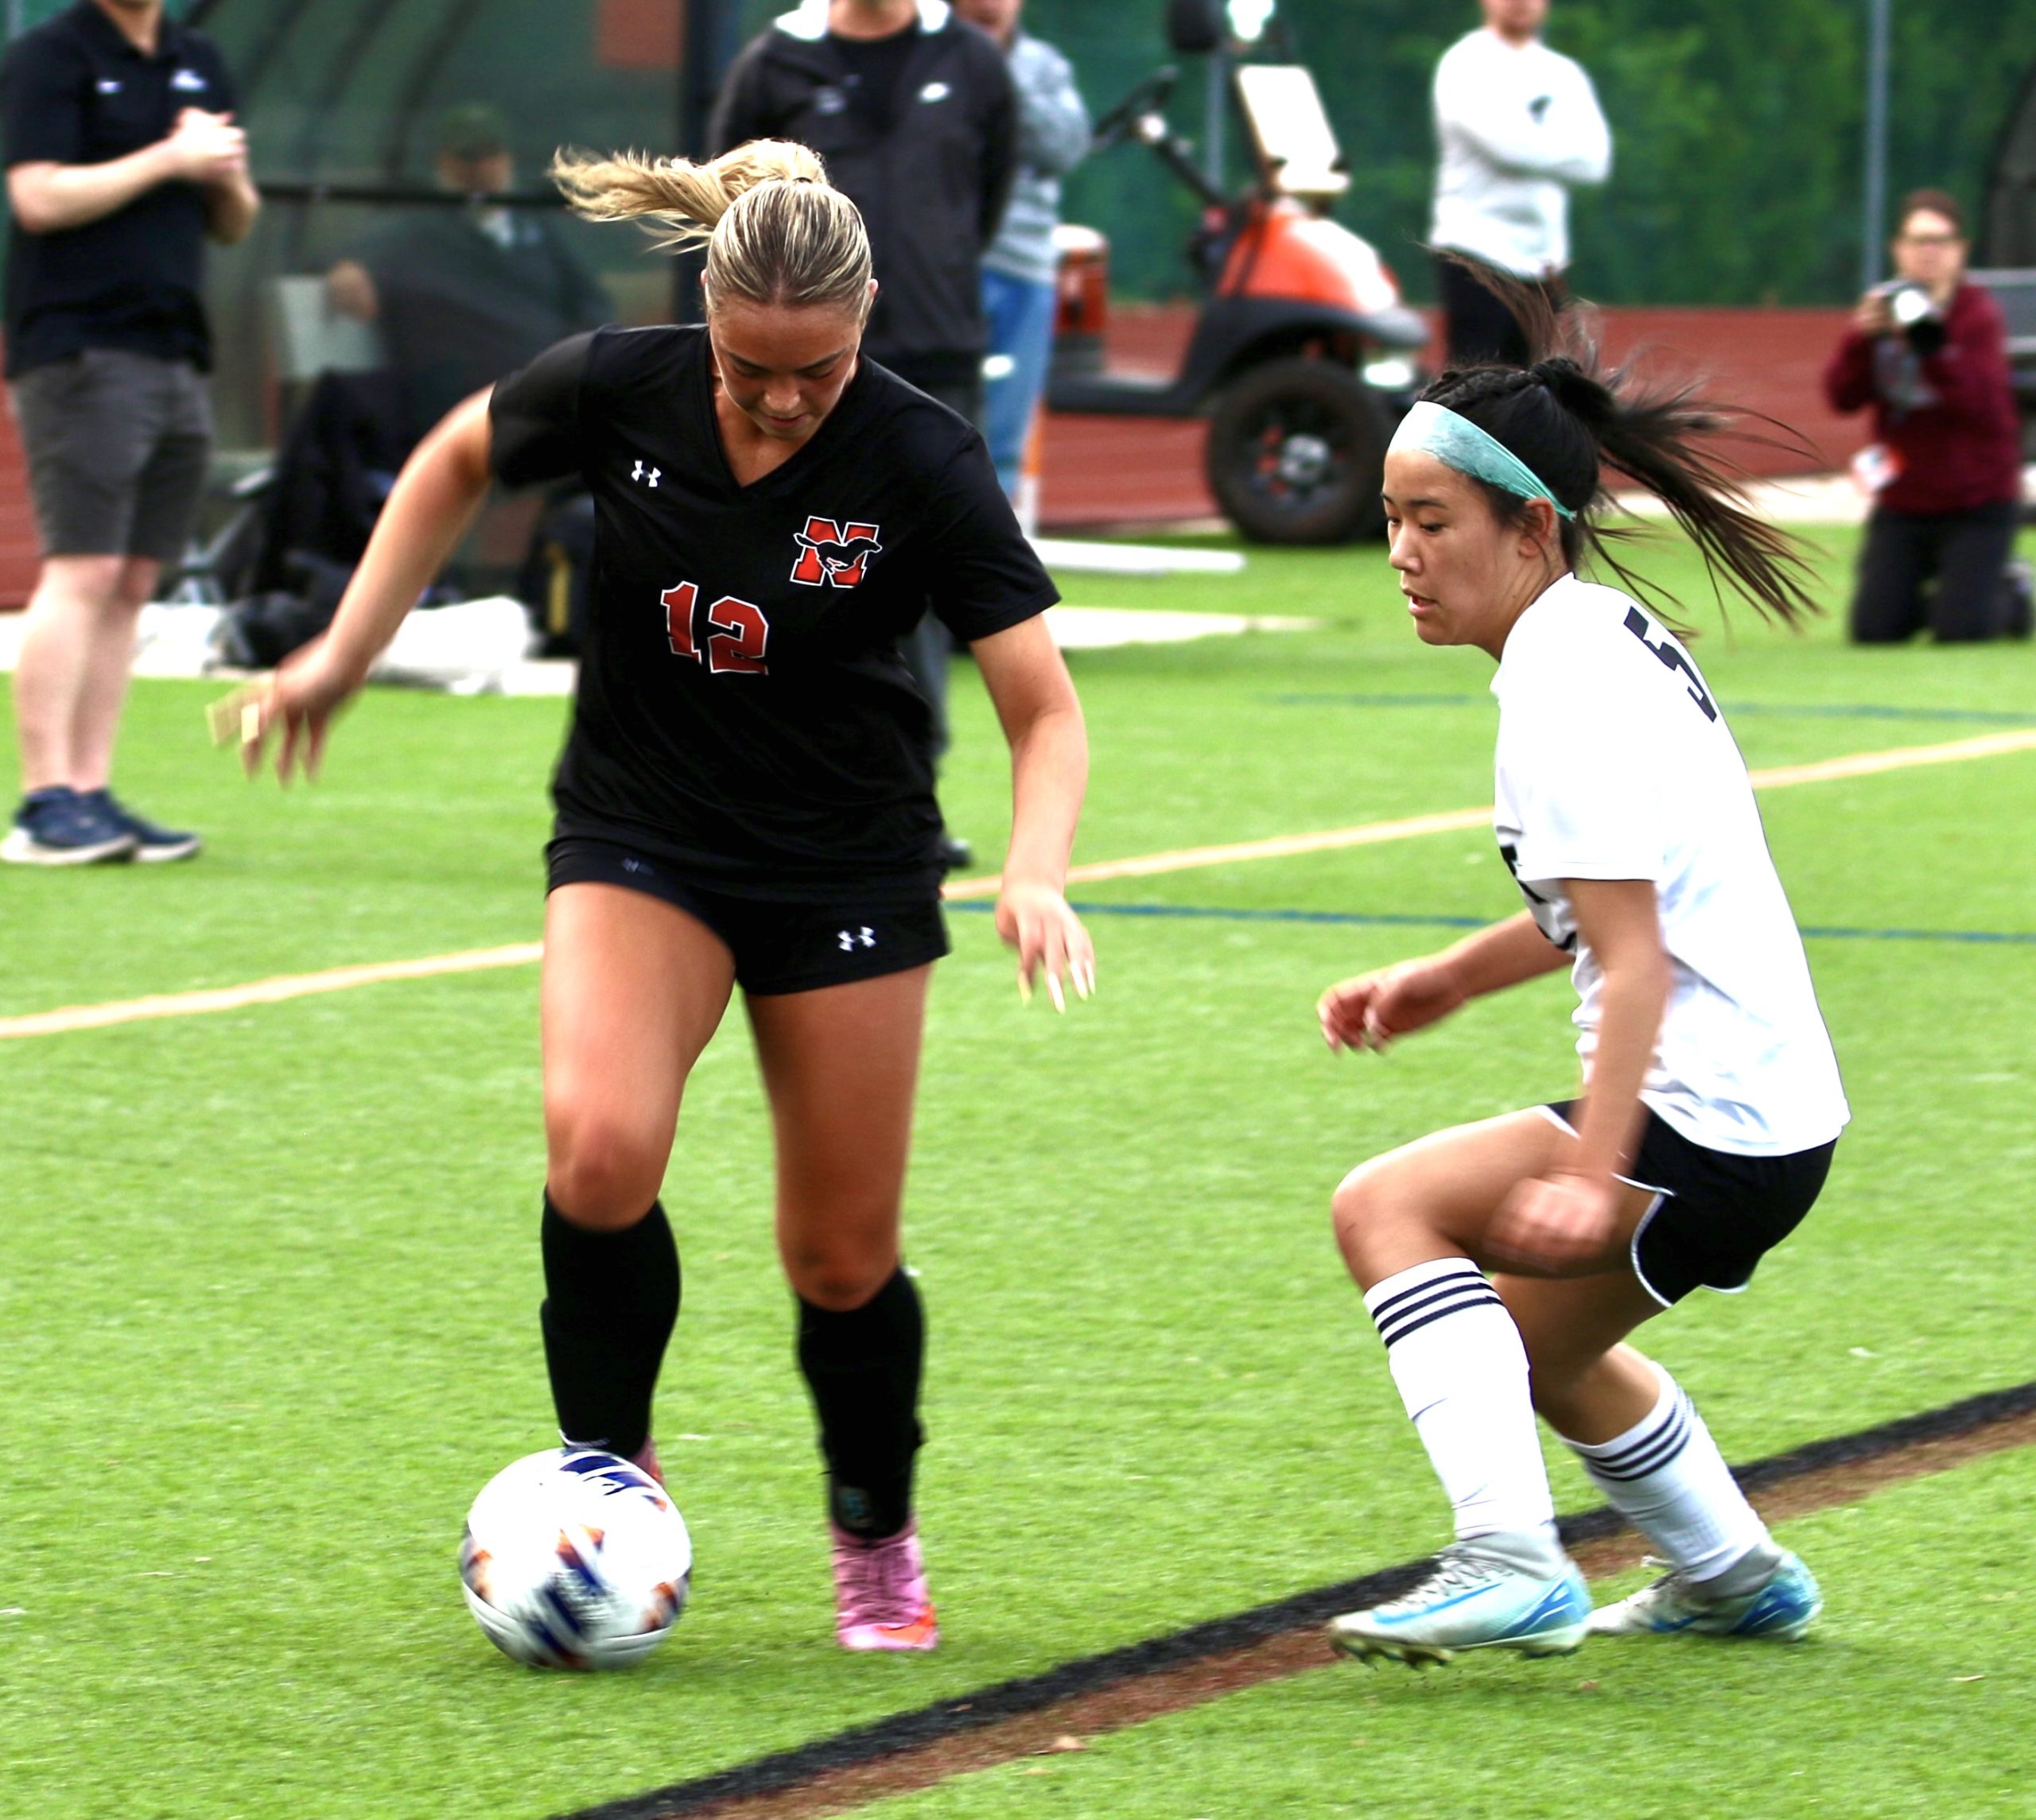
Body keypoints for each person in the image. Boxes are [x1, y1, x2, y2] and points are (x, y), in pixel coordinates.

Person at [236, 142, 1094, 1654]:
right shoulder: (617, 384)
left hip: (847, 862)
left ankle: (874, 1529)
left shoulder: (922, 456)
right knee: (600, 1151)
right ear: (703, 310)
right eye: (748, 367)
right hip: (644, 831)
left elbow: (1044, 708)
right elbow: (448, 460)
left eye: (814, 372)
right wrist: (339, 654)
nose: (777, 399)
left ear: (869, 314)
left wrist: (1035, 867)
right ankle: (609, 1482)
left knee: (837, 1255)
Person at [1315, 275, 1848, 1667]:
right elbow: (1610, 905)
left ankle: (1509, 1556)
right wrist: (1448, 976)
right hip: (1772, 1117)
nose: (1403, 553)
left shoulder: (1560, 687)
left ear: (1530, 526)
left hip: (1706, 1114)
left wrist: (1589, 1164)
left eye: (1431, 522)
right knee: (1530, 1351)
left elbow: (1635, 949)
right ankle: (1732, 1569)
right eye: (1391, 520)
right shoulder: (1598, 638)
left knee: (1385, 1207)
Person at [712, 0, 1020, 866]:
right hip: (789, 374)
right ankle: (751, 789)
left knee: (913, 582)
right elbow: (726, 207)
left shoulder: (971, 60)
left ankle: (904, 797)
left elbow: (984, 200)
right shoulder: (775, 61)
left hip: (931, 351)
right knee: (776, 567)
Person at [2, 0, 257, 865]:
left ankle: (90, 789)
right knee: (85, 568)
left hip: (175, 348)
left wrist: (221, 174)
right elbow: (38, 198)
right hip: (80, 348)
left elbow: (236, 221)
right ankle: (43, 803)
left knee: (134, 578)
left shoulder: (196, 59)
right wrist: (170, 157)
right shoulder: (51, 55)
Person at [326, 103, 613, 442]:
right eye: (468, 157)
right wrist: (347, 267)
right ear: (444, 163)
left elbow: (591, 301)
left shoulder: (535, 225)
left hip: (548, 396)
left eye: (491, 154)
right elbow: (352, 254)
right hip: (464, 409)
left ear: (507, 159)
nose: (482, 168)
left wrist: (574, 366)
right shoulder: (419, 229)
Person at [1823, 190, 2026, 645]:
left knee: (1961, 631)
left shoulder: (1977, 317)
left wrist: (1928, 343)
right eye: (1918, 241)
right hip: (1905, 501)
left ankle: (2012, 590)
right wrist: (1860, 339)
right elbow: (1841, 396)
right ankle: (1940, 594)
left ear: (1960, 250)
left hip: (1977, 502)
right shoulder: (1884, 307)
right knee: (1874, 631)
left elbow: (1979, 403)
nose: (1928, 252)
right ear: (1898, 249)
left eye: (1940, 241)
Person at [954, 0, 1089, 503]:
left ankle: (994, 560)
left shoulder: (1045, 67)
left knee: (1004, 438)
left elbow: (1067, 146)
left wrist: (994, 71)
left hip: (1024, 271)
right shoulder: (926, 59)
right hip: (941, 273)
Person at [1430, 0, 1610, 367]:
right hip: (1476, 254)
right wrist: (1558, 143)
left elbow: (1595, 162)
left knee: (1533, 391)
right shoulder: (1465, 65)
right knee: (1474, 386)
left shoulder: (1564, 74)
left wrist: (1531, 140)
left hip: (1543, 263)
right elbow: (1508, 149)